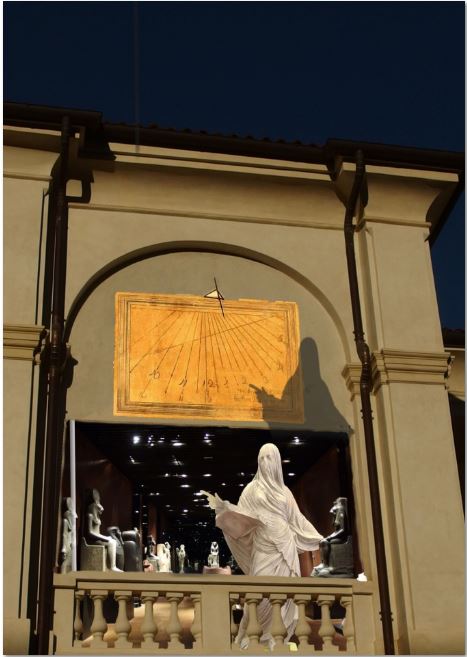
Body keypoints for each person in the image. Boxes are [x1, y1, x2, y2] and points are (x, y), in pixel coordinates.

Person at [202, 443, 323, 649]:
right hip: (263, 548)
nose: (265, 462)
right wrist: (225, 510)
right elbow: (242, 516)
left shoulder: (284, 491)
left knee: (284, 597)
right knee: (257, 599)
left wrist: (316, 536)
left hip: (285, 549)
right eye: (262, 458)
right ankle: (251, 638)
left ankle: (278, 641)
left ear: (276, 462)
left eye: (269, 458)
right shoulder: (252, 489)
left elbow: (296, 518)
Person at [84, 489, 122, 572]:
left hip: (96, 539)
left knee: (112, 541)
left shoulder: (96, 517)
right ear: (94, 507)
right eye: (98, 507)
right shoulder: (90, 516)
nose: (101, 509)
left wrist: (105, 537)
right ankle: (112, 567)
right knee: (112, 542)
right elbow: (90, 533)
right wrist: (105, 538)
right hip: (91, 540)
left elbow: (97, 533)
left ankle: (112, 566)